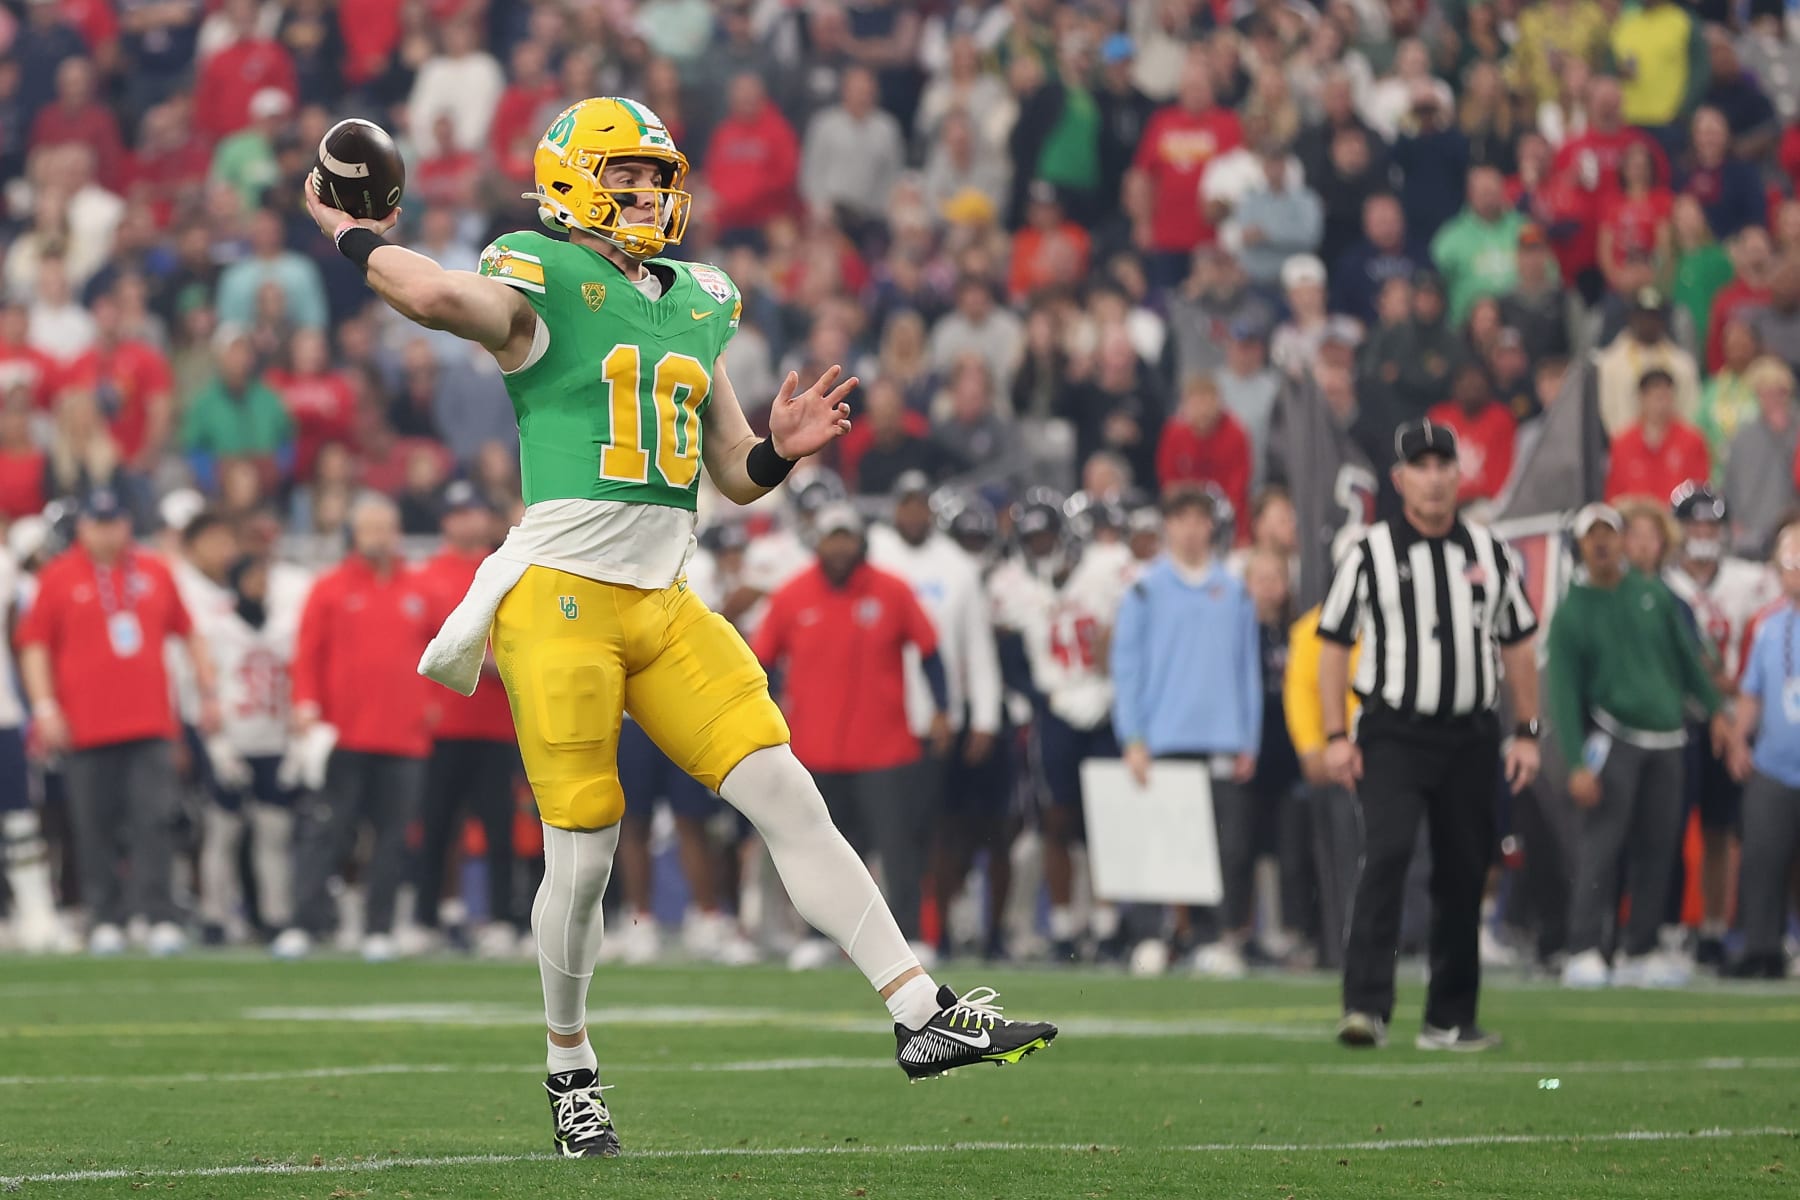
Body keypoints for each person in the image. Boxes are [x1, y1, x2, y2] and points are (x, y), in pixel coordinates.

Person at [302, 96, 1056, 1157]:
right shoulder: (538, 272)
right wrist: (348, 231)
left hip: (662, 598)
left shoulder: (703, 299)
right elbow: (428, 296)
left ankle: (918, 1013)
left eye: (657, 176)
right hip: (559, 599)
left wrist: (783, 450)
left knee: (787, 791)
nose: (650, 194)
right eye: (625, 176)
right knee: (588, 856)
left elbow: (732, 473)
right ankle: (571, 1072)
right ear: (570, 180)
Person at [1317, 420, 1541, 1051]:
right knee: (1386, 856)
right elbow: (1332, 645)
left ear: (1458, 474)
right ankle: (1365, 1006)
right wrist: (1338, 732)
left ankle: (1449, 1018)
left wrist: (1526, 731)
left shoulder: (1490, 551)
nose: (1435, 477)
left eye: (1444, 464)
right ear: (1400, 479)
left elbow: (1519, 640)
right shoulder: (1368, 552)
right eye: (1422, 465)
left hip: (1470, 732)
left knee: (1464, 870)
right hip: (1393, 729)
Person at [15, 488, 219, 957]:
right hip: (86, 726)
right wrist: (45, 708)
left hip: (150, 723)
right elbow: (35, 646)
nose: (107, 532)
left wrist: (208, 692)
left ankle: (159, 915)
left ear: (127, 524)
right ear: (83, 527)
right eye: (98, 523)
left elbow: (189, 632)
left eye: (114, 522)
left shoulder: (152, 570)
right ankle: (104, 916)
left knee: (154, 822)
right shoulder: (58, 577)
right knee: (92, 825)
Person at [756, 501, 950, 962]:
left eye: (848, 537)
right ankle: (822, 939)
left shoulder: (893, 591)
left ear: (861, 541)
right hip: (814, 747)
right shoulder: (792, 595)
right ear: (818, 543)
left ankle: (910, 938)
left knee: (897, 849)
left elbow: (930, 652)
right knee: (818, 853)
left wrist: (942, 710)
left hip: (884, 747)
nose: (840, 547)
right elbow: (761, 660)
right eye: (832, 537)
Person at [1548, 503, 1726, 989]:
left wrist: (1718, 712)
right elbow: (1563, 695)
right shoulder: (1571, 612)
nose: (1603, 543)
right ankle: (1584, 946)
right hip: (1616, 738)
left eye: (1610, 532)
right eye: (1593, 536)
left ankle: (1639, 949)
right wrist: (1576, 763)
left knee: (1659, 848)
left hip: (1668, 739)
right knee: (1601, 848)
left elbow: (1688, 662)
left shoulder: (1652, 594)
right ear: (1581, 545)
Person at [278, 495, 438, 964]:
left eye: (386, 527)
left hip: (404, 736)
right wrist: (304, 705)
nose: (378, 536)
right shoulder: (328, 588)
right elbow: (307, 654)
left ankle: (379, 927)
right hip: (343, 735)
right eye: (369, 527)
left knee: (392, 838)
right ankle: (305, 923)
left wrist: (432, 705)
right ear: (354, 532)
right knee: (328, 831)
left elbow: (443, 650)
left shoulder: (419, 589)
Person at [1110, 486, 1262, 977]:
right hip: (1164, 738)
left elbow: (1248, 669)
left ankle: (1218, 938)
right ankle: (1152, 937)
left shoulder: (1235, 590)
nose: (1191, 529)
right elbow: (1126, 667)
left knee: (1228, 847)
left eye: (1200, 519)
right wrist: (1132, 736)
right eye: (1182, 519)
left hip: (1220, 737)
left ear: (1210, 526)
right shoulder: (1145, 589)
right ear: (1167, 526)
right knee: (1163, 845)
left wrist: (1249, 738)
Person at [866, 471, 1005, 960]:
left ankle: (930, 927)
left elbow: (975, 645)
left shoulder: (956, 568)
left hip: (933, 720)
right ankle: (876, 934)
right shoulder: (876, 555)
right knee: (879, 831)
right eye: (904, 505)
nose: (912, 514)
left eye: (920, 505)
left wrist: (983, 715)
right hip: (877, 717)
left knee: (930, 830)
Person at [1661, 484, 1778, 966]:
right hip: (1681, 717)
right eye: (1695, 525)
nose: (1703, 534)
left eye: (1711, 525)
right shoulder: (1664, 585)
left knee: (1722, 828)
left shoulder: (1753, 581)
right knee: (1668, 827)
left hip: (1736, 719)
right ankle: (1668, 926)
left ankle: (1713, 925)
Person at [412, 482, 523, 956]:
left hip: (495, 721)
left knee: (500, 826)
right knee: (435, 825)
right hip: (444, 723)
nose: (468, 521)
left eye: (475, 511)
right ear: (446, 521)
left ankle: (500, 918)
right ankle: (424, 918)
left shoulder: (506, 571)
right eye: (459, 513)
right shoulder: (425, 577)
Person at [1724, 520, 1800, 979]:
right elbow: (1751, 691)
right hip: (1773, 765)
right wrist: (1737, 740)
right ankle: (1760, 948)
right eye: (1789, 562)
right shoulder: (1769, 624)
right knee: (1762, 861)